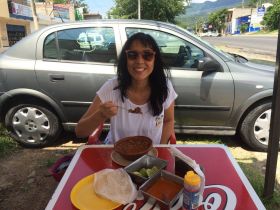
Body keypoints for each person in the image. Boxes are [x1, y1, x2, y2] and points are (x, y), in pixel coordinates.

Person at [75, 32, 177, 144]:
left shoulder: (164, 87)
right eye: (132, 55)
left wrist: (160, 150)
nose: (139, 61)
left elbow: (168, 120)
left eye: (147, 55)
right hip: (117, 155)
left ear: (155, 59)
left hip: (150, 157)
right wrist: (101, 115)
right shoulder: (112, 88)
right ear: (125, 59)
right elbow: (80, 131)